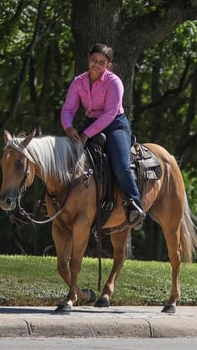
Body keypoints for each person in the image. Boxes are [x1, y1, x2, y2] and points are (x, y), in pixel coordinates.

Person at [61, 43, 145, 228]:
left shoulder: (114, 82)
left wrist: (85, 135)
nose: (96, 65)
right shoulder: (78, 81)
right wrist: (68, 128)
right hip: (90, 123)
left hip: (115, 124)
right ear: (88, 60)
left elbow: (109, 113)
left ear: (108, 65)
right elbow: (68, 108)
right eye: (94, 60)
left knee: (121, 165)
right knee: (65, 157)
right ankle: (57, 200)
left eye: (101, 62)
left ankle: (134, 206)